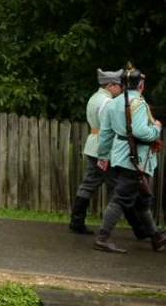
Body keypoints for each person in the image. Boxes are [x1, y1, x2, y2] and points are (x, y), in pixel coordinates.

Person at [93, 67, 166, 253]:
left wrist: (103, 155)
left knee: (141, 200)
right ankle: (102, 238)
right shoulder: (139, 104)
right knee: (120, 199)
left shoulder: (113, 103)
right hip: (135, 160)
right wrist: (156, 128)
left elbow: (106, 134)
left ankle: (156, 237)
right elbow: (142, 132)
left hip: (120, 157)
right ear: (141, 85)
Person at [68, 69, 144, 235]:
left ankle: (76, 221)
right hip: (104, 149)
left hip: (92, 145)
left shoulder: (94, 98)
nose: (121, 89)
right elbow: (109, 129)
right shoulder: (107, 103)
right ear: (110, 85)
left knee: (88, 184)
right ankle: (140, 228)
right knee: (121, 188)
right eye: (118, 85)